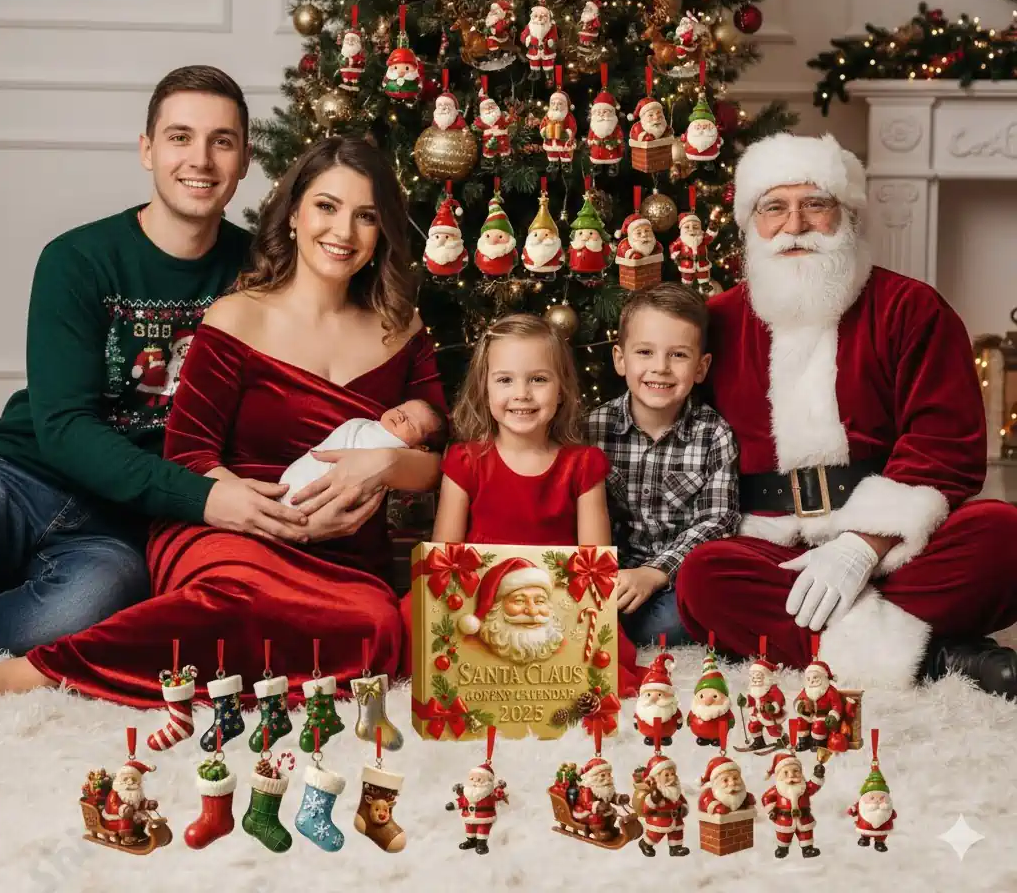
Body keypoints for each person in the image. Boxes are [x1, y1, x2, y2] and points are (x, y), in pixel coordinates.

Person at [0, 136, 445, 698]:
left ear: (383, 232)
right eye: (326, 207)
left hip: (346, 548)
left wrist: (383, 465)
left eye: (366, 216)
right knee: (231, 606)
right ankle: (32, 673)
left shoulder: (402, 331)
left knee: (372, 633)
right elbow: (189, 454)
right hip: (228, 523)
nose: (343, 232)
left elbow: (441, 465)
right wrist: (279, 519)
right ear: (296, 213)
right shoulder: (237, 315)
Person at [676, 132, 1017, 697]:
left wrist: (862, 547)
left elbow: (945, 445)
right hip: (774, 547)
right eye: (773, 207)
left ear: (847, 216)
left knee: (1004, 534)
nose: (795, 225)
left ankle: (828, 646)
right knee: (704, 579)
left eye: (815, 203)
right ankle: (939, 657)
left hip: (900, 545)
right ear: (749, 224)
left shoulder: (911, 308)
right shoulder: (715, 321)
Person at [0, 65, 298, 655]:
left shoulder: (265, 275)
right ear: (147, 150)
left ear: (245, 160)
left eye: (223, 141)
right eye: (180, 137)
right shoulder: (77, 259)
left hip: (120, 527)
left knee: (90, 608)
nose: (201, 160)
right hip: (24, 475)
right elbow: (62, 429)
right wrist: (206, 498)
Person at [403, 313, 641, 695]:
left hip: (553, 604)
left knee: (592, 646)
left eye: (538, 379)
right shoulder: (465, 461)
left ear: (562, 389)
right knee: (414, 612)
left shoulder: (582, 464)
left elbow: (595, 564)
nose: (522, 394)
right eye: (505, 380)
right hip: (480, 602)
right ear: (484, 389)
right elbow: (444, 558)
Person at [586, 284, 740, 647]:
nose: (660, 368)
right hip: (608, 575)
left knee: (675, 620)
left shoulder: (713, 434)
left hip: (674, 579)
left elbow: (719, 520)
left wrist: (655, 571)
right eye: (644, 352)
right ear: (620, 359)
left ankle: (629, 629)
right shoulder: (591, 429)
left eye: (678, 355)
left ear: (701, 368)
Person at [279, 398, 446, 505]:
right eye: (400, 409)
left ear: (421, 448)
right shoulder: (362, 425)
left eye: (410, 422)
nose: (400, 416)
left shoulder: (397, 449)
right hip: (298, 474)